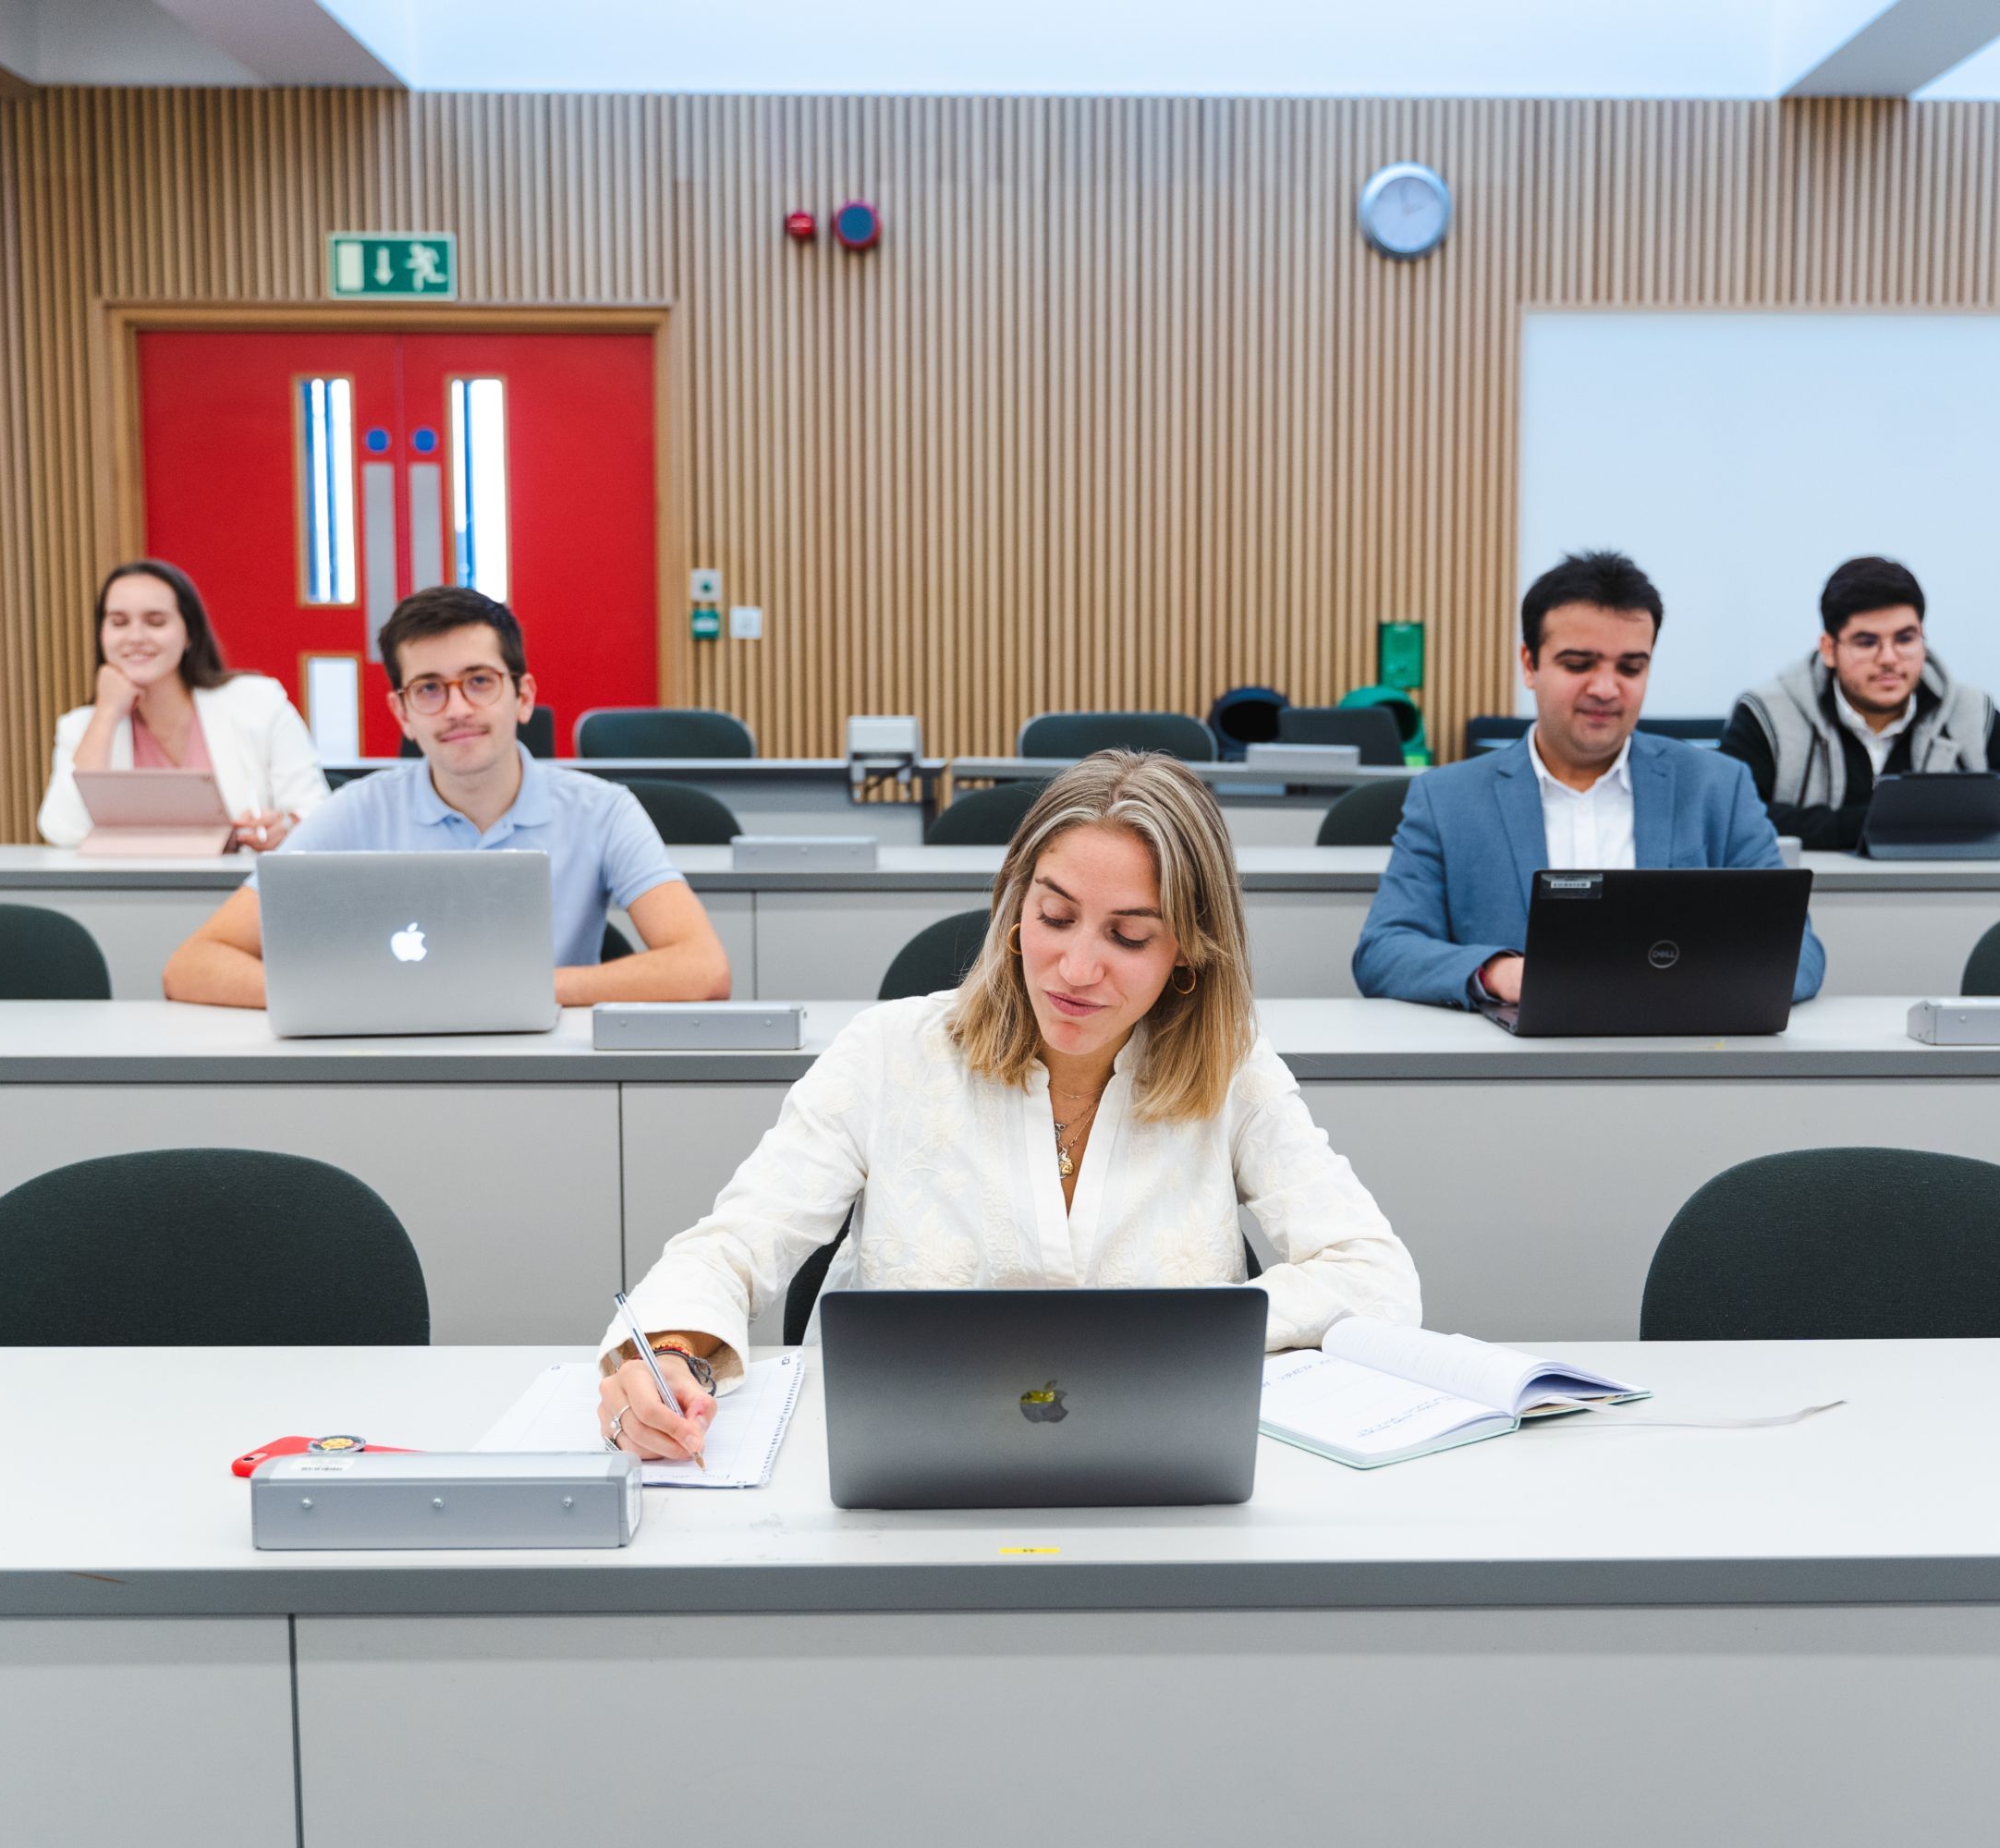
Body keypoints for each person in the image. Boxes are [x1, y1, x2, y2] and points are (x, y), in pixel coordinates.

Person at [598, 750, 1421, 1463]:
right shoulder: (889, 1052)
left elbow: (1376, 1276)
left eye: (1128, 937)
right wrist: (670, 1353)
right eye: (1055, 917)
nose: (1075, 967)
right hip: (899, 1471)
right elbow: (734, 1245)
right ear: (1014, 905)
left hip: (1152, 1477)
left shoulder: (1233, 1068)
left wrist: (1195, 1330)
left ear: (1188, 954)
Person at [162, 585, 730, 1009]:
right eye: (429, 689)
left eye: (479, 681)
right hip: (385, 1062)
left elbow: (702, 968)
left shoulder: (604, 809)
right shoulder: (355, 812)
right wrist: (347, 997)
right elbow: (192, 966)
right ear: (402, 713)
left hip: (546, 1064)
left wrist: (519, 989)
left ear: (522, 695)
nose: (457, 708)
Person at [1352, 549, 1824, 1011]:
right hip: (1508, 1074)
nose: (1605, 688)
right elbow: (1385, 950)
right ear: (1530, 664)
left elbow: (1800, 952)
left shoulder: (1718, 788)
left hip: (1679, 1061)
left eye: (1630, 668)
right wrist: (1497, 972)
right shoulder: (1448, 798)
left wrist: (1691, 983)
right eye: (1578, 665)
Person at [1721, 556, 2000, 853]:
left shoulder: (1968, 709)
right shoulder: (1768, 712)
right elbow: (1728, 818)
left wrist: (1906, 824)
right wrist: (1893, 824)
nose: (1889, 659)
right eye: (1866, 642)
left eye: (1905, 639)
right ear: (1829, 649)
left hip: (1941, 900)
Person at [38, 560, 330, 850]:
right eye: (118, 623)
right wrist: (106, 713)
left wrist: (285, 826)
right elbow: (64, 831)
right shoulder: (81, 727)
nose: (136, 637)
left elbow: (318, 815)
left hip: (248, 891)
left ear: (189, 632)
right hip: (133, 894)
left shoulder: (257, 702)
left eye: (156, 622)